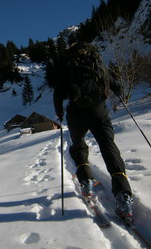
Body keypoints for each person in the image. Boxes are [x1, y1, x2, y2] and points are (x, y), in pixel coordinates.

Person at [53, 42, 133, 220]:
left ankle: (86, 181)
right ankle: (123, 194)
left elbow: (58, 92)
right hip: (99, 111)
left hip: (76, 114)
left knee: (79, 145)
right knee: (108, 147)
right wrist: (118, 91)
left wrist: (58, 112)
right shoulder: (98, 65)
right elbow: (115, 85)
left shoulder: (68, 68)